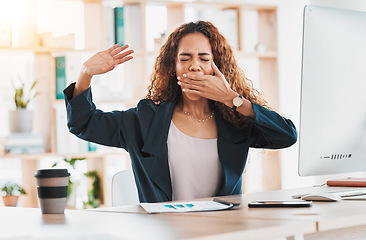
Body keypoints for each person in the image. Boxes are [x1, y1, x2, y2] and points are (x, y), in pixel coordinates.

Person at [64, 21, 297, 203]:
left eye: (204, 58)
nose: (194, 65)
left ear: (218, 69)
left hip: (223, 232)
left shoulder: (235, 121)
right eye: (185, 58)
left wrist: (231, 98)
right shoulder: (146, 119)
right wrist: (85, 73)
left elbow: (286, 135)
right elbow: (83, 124)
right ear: (173, 69)